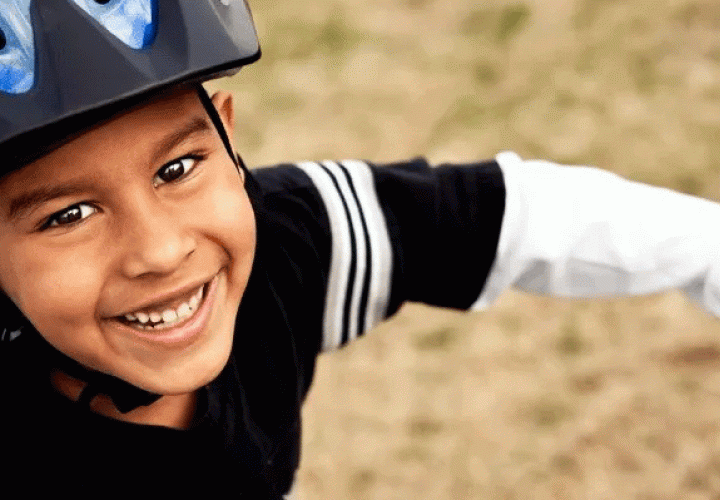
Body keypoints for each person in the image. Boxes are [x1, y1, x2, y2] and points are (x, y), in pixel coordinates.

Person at [1, 0, 719, 497]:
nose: (159, 250)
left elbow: (509, 217)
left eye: (179, 169)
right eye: (68, 215)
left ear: (227, 135)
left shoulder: (281, 247)